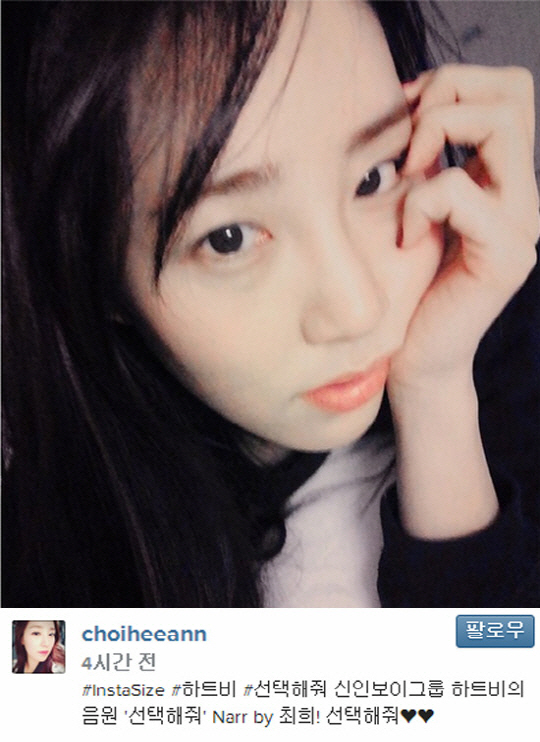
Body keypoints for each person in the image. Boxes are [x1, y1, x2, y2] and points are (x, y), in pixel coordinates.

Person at [2, 1, 538, 608]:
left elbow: (489, 671)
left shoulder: (505, 338)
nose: (358, 310)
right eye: (228, 239)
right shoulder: (48, 568)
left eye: (375, 174)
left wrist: (436, 393)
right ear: (95, 277)